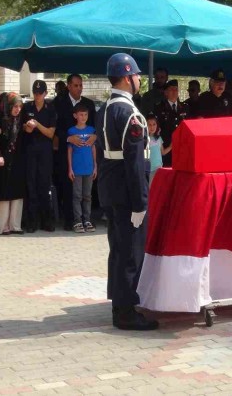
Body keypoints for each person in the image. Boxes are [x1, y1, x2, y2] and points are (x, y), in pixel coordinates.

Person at [96, 52, 158, 331]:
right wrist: (140, 203)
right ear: (126, 77)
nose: (139, 79)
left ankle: (118, 304)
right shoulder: (131, 115)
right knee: (131, 253)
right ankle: (126, 311)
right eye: (136, 75)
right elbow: (135, 163)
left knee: (118, 250)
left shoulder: (105, 108)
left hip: (110, 188)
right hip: (127, 192)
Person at [53, 74, 96, 231]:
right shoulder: (59, 103)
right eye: (76, 85)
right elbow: (55, 126)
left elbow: (96, 125)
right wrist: (68, 138)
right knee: (68, 186)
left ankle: (86, 219)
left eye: (81, 85)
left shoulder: (88, 104)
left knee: (86, 191)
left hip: (85, 153)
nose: (79, 88)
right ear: (69, 86)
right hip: (67, 151)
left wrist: (95, 136)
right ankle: (70, 219)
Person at [22, 80, 57, 232]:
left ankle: (46, 220)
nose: (37, 96)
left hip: (45, 152)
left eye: (40, 93)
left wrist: (37, 124)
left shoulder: (50, 109)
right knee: (31, 186)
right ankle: (32, 222)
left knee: (44, 186)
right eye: (35, 93)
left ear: (45, 93)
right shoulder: (27, 107)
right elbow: (23, 128)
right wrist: (28, 127)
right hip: (30, 150)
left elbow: (50, 133)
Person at [0, 94, 26, 235]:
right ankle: (4, 226)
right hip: (3, 159)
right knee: (3, 192)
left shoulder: (21, 121)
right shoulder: (0, 120)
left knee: (17, 191)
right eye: (15, 106)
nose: (17, 109)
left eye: (20, 107)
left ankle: (15, 225)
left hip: (17, 159)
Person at [67, 104, 97, 234]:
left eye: (85, 115)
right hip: (77, 168)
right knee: (77, 195)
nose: (83, 117)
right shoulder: (71, 131)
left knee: (87, 196)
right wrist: (70, 168)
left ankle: (87, 220)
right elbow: (69, 151)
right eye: (81, 114)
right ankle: (77, 220)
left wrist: (95, 166)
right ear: (75, 116)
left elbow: (93, 149)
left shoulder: (91, 130)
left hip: (89, 168)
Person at [154, 79, 188, 167]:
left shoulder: (185, 107)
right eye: (171, 89)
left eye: (176, 89)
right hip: (166, 147)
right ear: (166, 93)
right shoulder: (159, 108)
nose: (174, 91)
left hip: (181, 148)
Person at [146, 114, 171, 188]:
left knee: (159, 189)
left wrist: (171, 147)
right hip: (149, 170)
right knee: (150, 189)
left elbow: (163, 152)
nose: (152, 127)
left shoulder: (159, 138)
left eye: (154, 124)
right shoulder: (144, 140)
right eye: (149, 125)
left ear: (157, 125)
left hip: (159, 169)